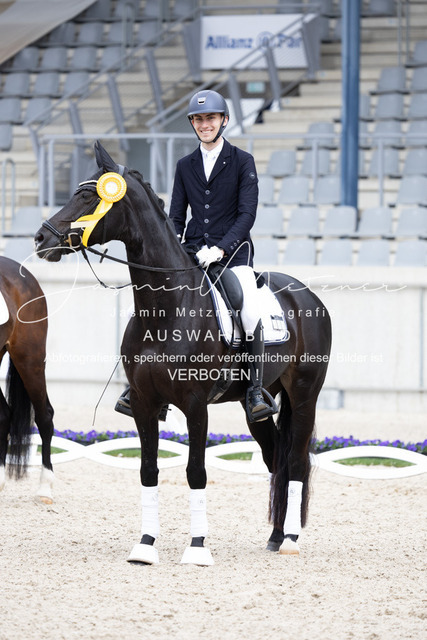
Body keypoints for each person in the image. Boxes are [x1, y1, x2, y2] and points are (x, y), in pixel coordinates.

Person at [168, 89, 277, 423]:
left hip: (232, 254)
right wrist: (171, 247)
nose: (205, 124)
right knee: (155, 301)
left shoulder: (243, 161)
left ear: (224, 120)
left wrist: (220, 248)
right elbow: (176, 216)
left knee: (248, 310)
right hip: (191, 254)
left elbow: (247, 215)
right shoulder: (184, 165)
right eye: (199, 119)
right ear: (193, 123)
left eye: (211, 118)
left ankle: (255, 390)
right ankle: (144, 386)